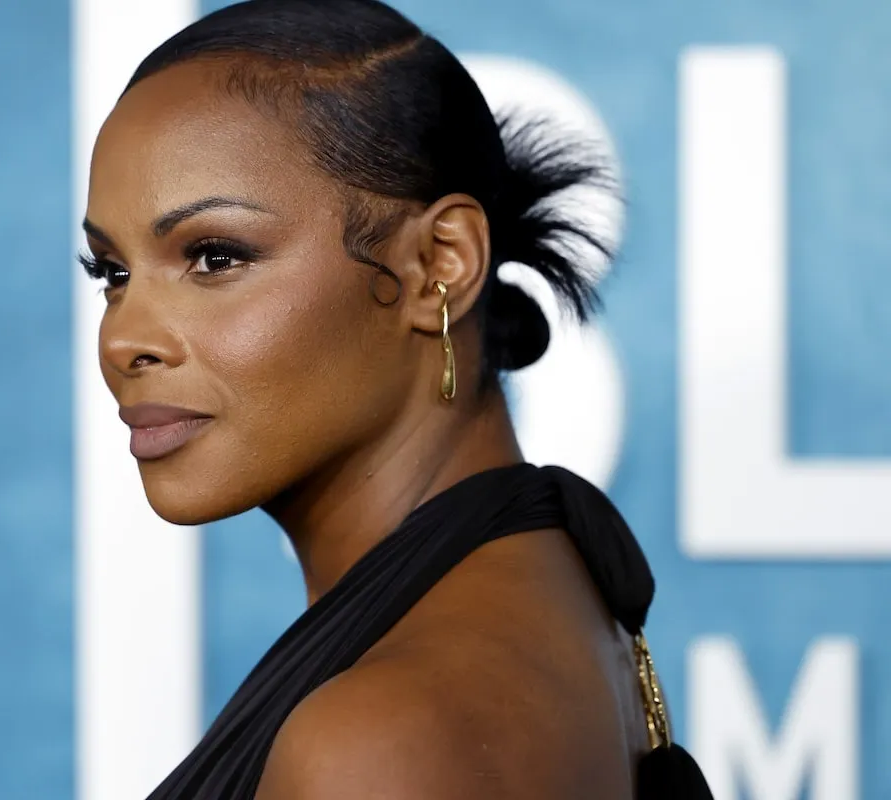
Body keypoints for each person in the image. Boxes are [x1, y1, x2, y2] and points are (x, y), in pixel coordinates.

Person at [80, 0, 714, 797]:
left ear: (438, 265)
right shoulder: (552, 580)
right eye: (112, 273)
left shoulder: (375, 744)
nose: (121, 339)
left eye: (214, 256)